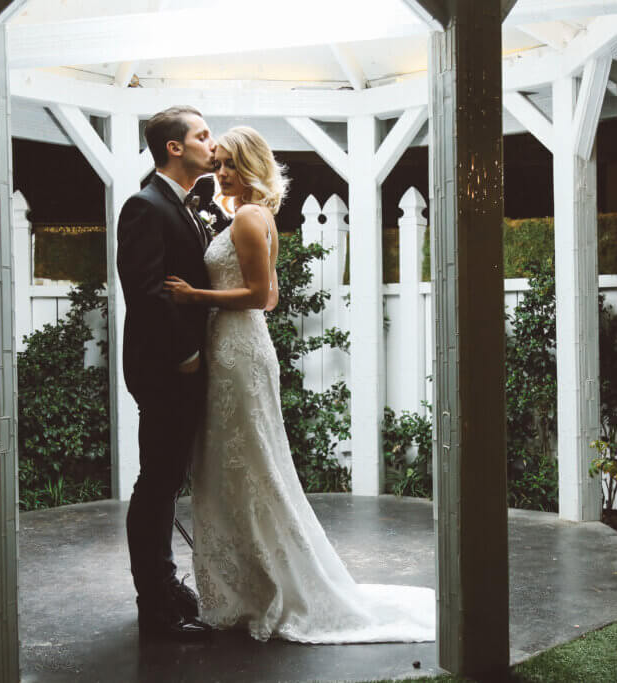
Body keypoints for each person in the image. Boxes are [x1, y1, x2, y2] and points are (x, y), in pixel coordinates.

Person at [163, 126, 435, 643]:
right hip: (240, 347)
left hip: (237, 351)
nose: (221, 173)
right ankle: (251, 585)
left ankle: (258, 590)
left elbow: (261, 295)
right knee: (239, 466)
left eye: (230, 165)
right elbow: (271, 296)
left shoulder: (246, 216)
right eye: (218, 163)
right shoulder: (255, 214)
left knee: (245, 466)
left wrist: (196, 296)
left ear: (252, 166)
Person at [116, 105, 225, 642]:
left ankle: (166, 589)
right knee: (157, 484)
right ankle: (156, 605)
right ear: (174, 148)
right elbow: (147, 290)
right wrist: (184, 354)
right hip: (164, 367)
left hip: (185, 364)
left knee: (168, 479)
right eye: (203, 135)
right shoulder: (145, 205)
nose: (213, 142)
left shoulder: (186, 204)